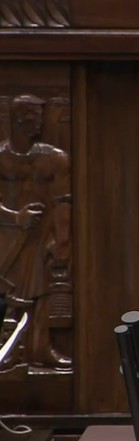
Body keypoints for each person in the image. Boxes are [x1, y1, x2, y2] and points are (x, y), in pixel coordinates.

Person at [0, 94, 71, 371]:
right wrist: (15, 217)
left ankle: (40, 348)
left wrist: (62, 239)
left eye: (41, 118)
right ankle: (8, 350)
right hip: (8, 238)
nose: (39, 124)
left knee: (42, 294)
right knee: (10, 297)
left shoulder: (54, 159)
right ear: (18, 120)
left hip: (40, 237)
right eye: (33, 118)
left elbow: (63, 201)